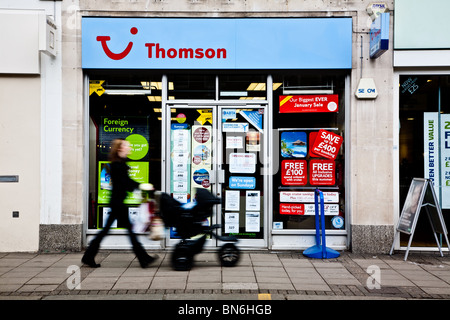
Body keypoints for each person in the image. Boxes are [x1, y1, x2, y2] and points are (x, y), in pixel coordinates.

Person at [82, 138, 157, 268]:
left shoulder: (120, 163)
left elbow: (126, 182)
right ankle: (143, 258)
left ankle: (89, 256)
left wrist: (139, 186)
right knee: (122, 232)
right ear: (120, 149)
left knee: (113, 231)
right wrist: (143, 186)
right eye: (127, 146)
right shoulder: (118, 165)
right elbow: (125, 183)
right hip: (118, 203)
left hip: (117, 202)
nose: (130, 148)